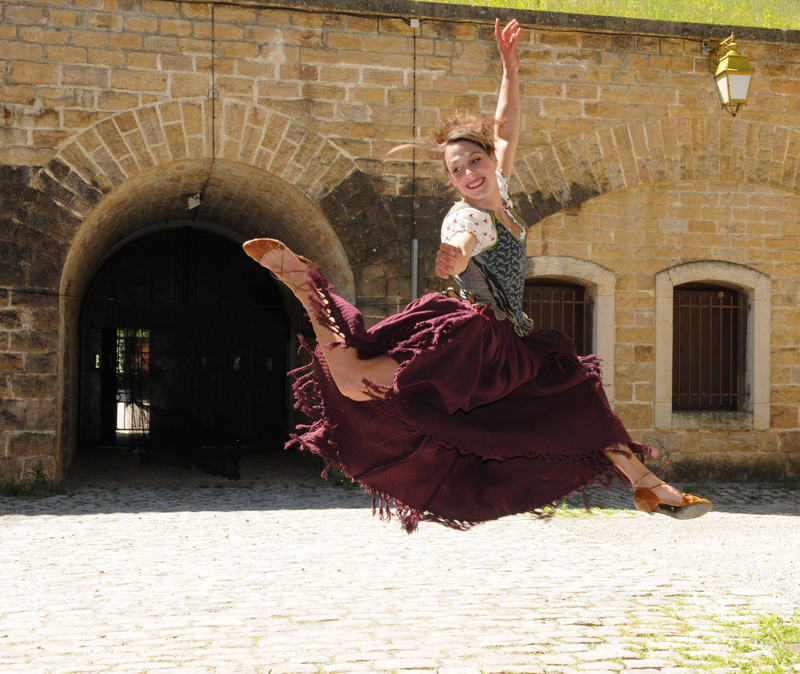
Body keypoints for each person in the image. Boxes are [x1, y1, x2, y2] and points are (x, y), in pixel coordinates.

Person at [243, 19, 711, 532]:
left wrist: (510, 66)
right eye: (456, 170)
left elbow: (507, 125)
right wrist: (456, 257)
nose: (468, 173)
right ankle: (307, 286)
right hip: (473, 340)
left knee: (581, 399)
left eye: (474, 160)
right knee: (354, 383)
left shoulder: (502, 189)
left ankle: (648, 484)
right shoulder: (468, 216)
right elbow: (464, 243)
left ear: (490, 159)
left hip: (520, 340)